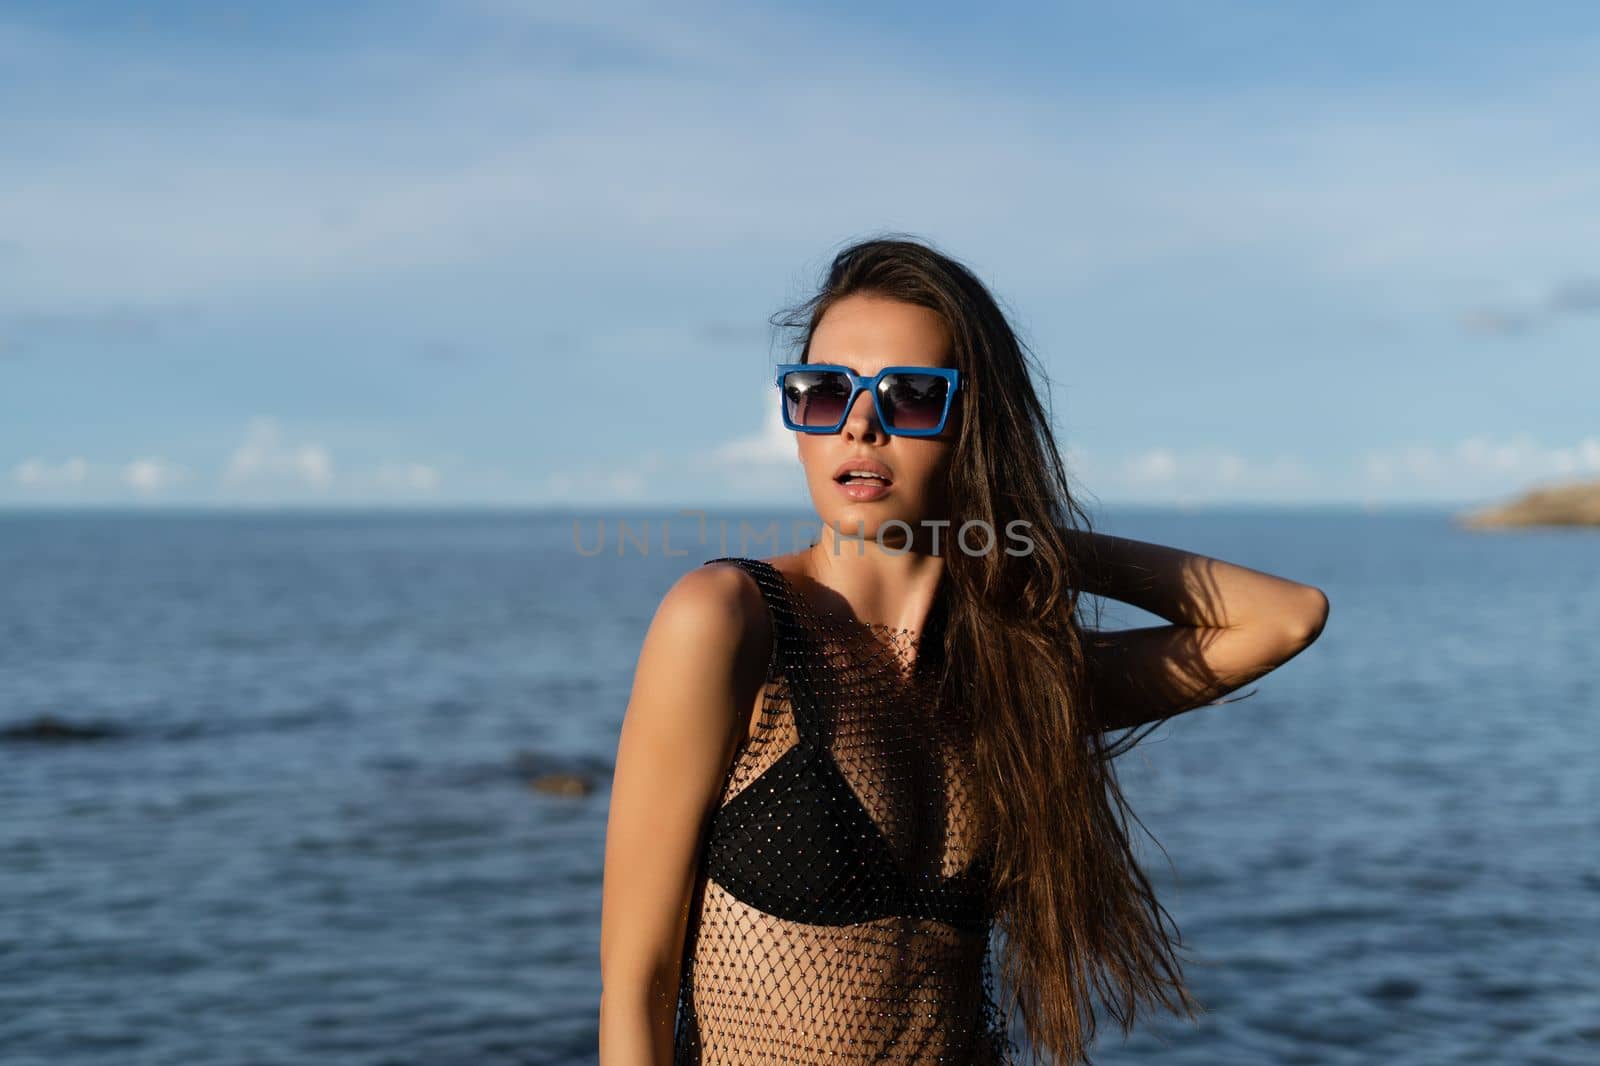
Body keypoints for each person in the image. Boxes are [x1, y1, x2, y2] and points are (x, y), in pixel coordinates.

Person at [598, 236, 1330, 1064]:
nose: (861, 424)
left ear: (978, 425)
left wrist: (1025, 540)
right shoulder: (734, 623)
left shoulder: (1018, 678)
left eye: (911, 396)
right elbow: (636, 980)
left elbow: (1285, 618)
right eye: (822, 392)